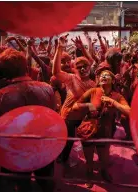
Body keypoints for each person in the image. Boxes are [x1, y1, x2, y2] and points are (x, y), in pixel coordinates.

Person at [0, 48, 56, 192]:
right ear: (26, 67)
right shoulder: (47, 88)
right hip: (45, 146)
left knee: (20, 185)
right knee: (46, 181)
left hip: (16, 154)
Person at [72, 70, 130, 188]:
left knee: (104, 158)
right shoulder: (93, 91)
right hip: (89, 130)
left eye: (106, 75)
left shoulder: (117, 96)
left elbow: (129, 111)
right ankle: (89, 174)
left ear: (113, 80)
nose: (103, 76)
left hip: (105, 132)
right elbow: (75, 106)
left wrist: (113, 102)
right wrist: (88, 105)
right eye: (101, 75)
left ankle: (103, 172)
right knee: (89, 158)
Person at [52, 35, 95, 166]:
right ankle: (61, 162)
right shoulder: (71, 78)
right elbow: (56, 72)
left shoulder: (93, 83)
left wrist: (84, 46)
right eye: (79, 66)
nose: (82, 68)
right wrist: (59, 48)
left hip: (82, 117)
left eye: (85, 66)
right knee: (67, 141)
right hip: (68, 115)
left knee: (83, 139)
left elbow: (91, 60)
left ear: (89, 67)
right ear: (75, 69)